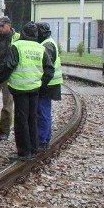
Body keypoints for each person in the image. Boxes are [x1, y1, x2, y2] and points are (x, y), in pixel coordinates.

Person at [0, 21, 54, 160]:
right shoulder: (40, 48)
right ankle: (34, 148)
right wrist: (42, 83)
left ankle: (24, 152)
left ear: (23, 32)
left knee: (21, 120)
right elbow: (50, 70)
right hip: (35, 89)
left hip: (19, 89)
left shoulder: (17, 46)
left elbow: (8, 66)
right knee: (32, 119)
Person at [36, 22, 63, 150]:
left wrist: (41, 83)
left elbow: (47, 67)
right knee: (45, 111)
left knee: (42, 112)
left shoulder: (46, 45)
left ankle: (42, 140)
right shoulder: (49, 42)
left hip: (47, 84)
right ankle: (45, 137)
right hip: (51, 83)